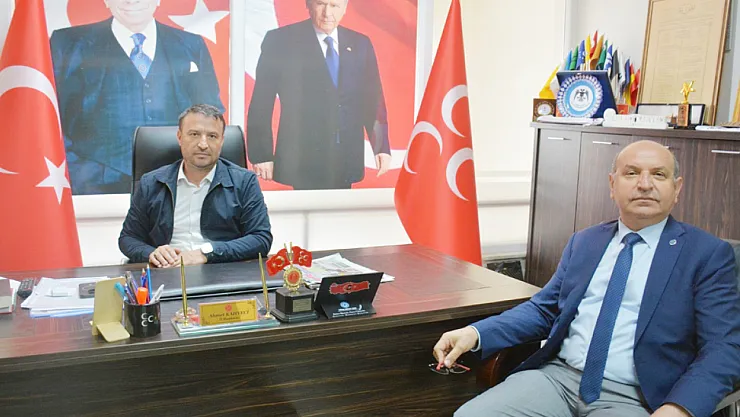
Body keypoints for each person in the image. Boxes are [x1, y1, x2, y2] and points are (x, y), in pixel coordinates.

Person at [434, 140, 740, 417]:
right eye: (632, 173)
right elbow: (544, 310)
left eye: (658, 175)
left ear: (677, 188)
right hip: (557, 379)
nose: (645, 184)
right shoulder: (586, 241)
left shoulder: (706, 254)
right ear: (612, 184)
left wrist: (679, 409)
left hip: (636, 398)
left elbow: (724, 346)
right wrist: (476, 333)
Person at [50, 0, 224, 195]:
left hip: (175, 183)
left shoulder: (191, 44)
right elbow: (49, 115)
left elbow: (211, 115)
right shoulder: (68, 44)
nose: (131, 1)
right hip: (93, 186)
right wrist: (80, 172)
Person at [247, 0, 392, 190]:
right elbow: (261, 101)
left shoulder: (360, 44)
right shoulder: (281, 41)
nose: (327, 13)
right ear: (308, 5)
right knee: (304, 209)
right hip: (301, 159)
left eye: (334, 6)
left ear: (345, 8)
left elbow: (373, 100)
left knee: (341, 209)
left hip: (345, 159)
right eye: (321, 4)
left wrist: (381, 147)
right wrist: (262, 154)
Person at [118, 104, 272, 268]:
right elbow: (128, 238)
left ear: (221, 141)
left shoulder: (244, 181)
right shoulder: (151, 183)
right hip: (166, 271)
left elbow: (260, 238)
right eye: (194, 134)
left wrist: (206, 253)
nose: (203, 144)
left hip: (221, 270)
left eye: (212, 136)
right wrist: (151, 253)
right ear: (179, 137)